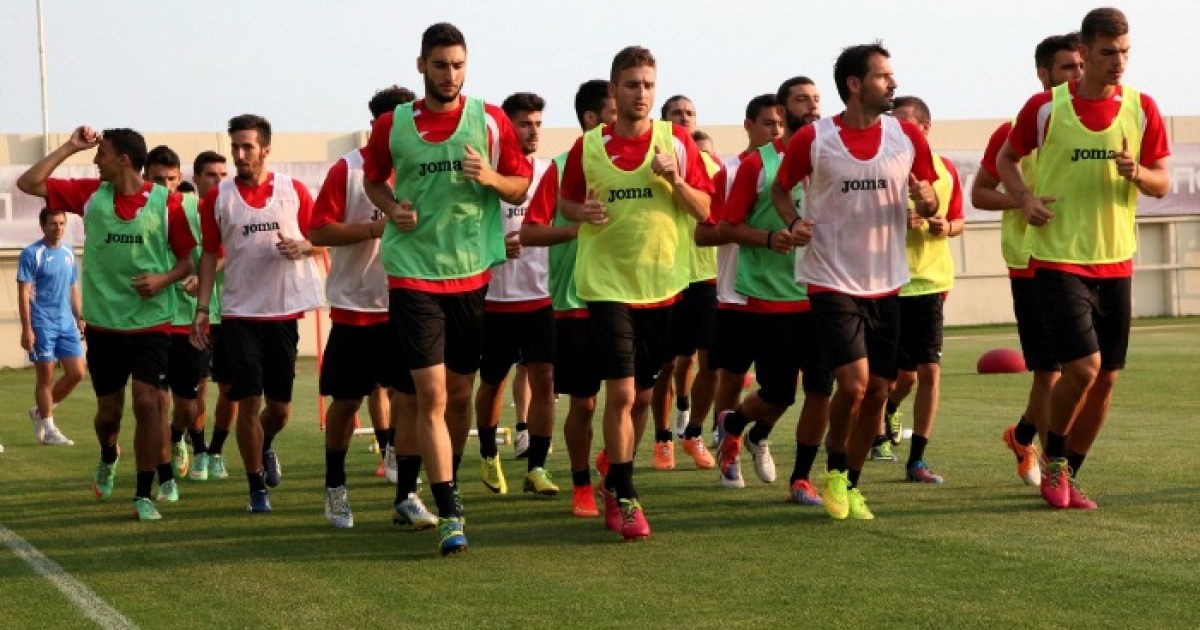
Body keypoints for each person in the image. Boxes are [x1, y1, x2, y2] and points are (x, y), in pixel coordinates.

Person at [361, 22, 532, 556]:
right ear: (421, 66)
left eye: (458, 65)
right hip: (412, 274)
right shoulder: (392, 125)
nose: (450, 75)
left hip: (471, 276)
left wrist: (491, 179)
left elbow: (520, 185)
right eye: (440, 65)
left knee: (459, 395)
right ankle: (450, 513)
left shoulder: (491, 119)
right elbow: (373, 180)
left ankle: (442, 481)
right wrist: (392, 208)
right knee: (430, 395)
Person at [996, 7, 1170, 509]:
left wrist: (1138, 173)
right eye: (1108, 52)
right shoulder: (1045, 108)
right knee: (1083, 368)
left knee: (1106, 378)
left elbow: (1162, 182)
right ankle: (1052, 461)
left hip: (1116, 260)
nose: (1119, 61)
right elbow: (1006, 160)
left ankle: (1068, 472)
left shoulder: (1142, 108)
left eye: (1125, 52)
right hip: (1058, 259)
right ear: (1086, 52)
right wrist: (1024, 199)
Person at [771, 43, 940, 520]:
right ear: (854, 84)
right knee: (853, 385)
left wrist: (926, 200)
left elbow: (930, 201)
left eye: (892, 75)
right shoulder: (815, 139)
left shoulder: (907, 135)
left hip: (887, 282)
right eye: (883, 76)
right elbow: (781, 188)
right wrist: (794, 223)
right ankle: (832, 468)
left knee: (880, 392)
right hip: (830, 279)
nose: (893, 83)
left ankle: (848, 481)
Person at [559, 46, 714, 539]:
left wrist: (675, 179)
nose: (641, 94)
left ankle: (614, 473)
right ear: (614, 90)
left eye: (648, 85)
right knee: (622, 392)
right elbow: (566, 201)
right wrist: (581, 212)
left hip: (662, 286)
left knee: (645, 397)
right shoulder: (587, 148)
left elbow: (704, 209)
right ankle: (625, 496)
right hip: (606, 285)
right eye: (631, 85)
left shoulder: (676, 142)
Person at [17, 126, 197, 521]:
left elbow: (188, 260)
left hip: (152, 323)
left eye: (102, 154)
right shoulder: (91, 194)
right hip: (104, 326)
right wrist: (69, 146)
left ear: (124, 160)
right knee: (108, 416)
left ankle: (143, 493)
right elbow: (28, 183)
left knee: (148, 404)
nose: (96, 160)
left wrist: (163, 279)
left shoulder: (167, 203)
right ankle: (108, 454)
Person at [309, 85, 438, 530]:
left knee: (411, 398)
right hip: (356, 306)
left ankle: (406, 495)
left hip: (410, 301)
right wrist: (372, 228)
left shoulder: (424, 165)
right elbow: (318, 231)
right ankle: (335, 487)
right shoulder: (348, 170)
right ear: (376, 127)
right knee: (346, 401)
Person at [190, 114, 325, 514]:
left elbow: (322, 238)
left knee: (279, 411)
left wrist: (303, 246)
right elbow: (210, 255)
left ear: (266, 149)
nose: (240, 154)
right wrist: (202, 308)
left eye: (247, 146)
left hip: (283, 313)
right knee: (247, 404)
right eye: (235, 146)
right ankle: (256, 490)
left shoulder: (293, 190)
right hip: (239, 316)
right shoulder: (218, 198)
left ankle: (265, 446)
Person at [971, 33, 1083, 487]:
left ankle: (1022, 436)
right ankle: (1049, 456)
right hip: (1031, 264)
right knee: (1051, 371)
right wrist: (1022, 200)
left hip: (1084, 260)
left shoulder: (1096, 126)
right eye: (1067, 67)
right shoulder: (1013, 129)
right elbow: (979, 193)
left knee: (1081, 371)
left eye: (1081, 65)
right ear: (1043, 74)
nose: (1077, 74)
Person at [715, 84, 831, 507]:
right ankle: (734, 427)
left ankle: (801, 479)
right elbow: (727, 226)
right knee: (778, 393)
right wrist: (768, 238)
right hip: (769, 297)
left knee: (821, 388)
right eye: (802, 99)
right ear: (783, 110)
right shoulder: (757, 165)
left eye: (816, 99)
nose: (812, 106)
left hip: (821, 290)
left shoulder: (830, 157)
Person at [521, 78, 617, 518]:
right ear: (591, 118)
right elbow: (529, 233)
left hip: (631, 298)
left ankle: (613, 464)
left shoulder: (644, 163)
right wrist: (577, 229)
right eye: (614, 113)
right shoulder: (560, 168)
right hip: (576, 303)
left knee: (636, 397)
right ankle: (581, 484)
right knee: (585, 402)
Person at [870, 96, 965, 484]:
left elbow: (958, 221)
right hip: (884, 282)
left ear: (924, 128)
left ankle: (917, 459)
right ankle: (877, 436)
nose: (897, 130)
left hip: (928, 283)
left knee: (922, 373)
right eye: (892, 123)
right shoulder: (876, 167)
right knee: (885, 375)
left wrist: (945, 226)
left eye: (905, 123)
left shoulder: (945, 169)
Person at [474, 92, 559, 498]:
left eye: (538, 123)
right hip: (492, 300)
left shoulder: (549, 173)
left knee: (545, 381)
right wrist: (495, 248)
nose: (533, 131)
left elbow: (559, 228)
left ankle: (537, 467)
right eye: (524, 124)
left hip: (541, 298)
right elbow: (466, 232)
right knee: (492, 383)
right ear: (507, 129)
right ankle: (488, 453)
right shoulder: (487, 176)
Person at [650, 95, 720, 470]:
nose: (685, 118)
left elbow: (716, 214)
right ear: (665, 122)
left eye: (690, 113)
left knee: (711, 364)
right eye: (677, 113)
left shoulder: (713, 165)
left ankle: (693, 432)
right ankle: (663, 439)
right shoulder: (653, 161)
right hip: (668, 277)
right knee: (665, 366)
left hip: (707, 277)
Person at [144, 145, 213, 485]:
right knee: (153, 401)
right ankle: (160, 475)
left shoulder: (195, 209)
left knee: (188, 406)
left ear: (180, 178)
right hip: (150, 322)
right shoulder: (134, 212)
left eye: (171, 179)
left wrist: (201, 278)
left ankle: (176, 438)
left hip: (189, 321)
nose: (165, 186)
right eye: (157, 180)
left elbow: (219, 252)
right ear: (145, 177)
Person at [18, 207, 84, 447]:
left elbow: (72, 288)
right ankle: (49, 429)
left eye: (62, 223)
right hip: (41, 323)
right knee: (45, 376)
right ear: (43, 226)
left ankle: (40, 411)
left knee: (77, 372)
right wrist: (27, 328)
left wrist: (80, 316)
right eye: (53, 224)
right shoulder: (31, 254)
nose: (58, 228)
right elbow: (24, 293)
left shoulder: (68, 252)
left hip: (66, 323)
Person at [188, 150, 234, 480]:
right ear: (196, 180)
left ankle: (216, 450)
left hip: (232, 312)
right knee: (198, 389)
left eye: (222, 175)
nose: (218, 181)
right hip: (197, 314)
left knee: (231, 389)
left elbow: (233, 252)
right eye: (210, 175)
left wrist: (206, 273)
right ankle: (199, 450)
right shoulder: (186, 213)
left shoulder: (234, 211)